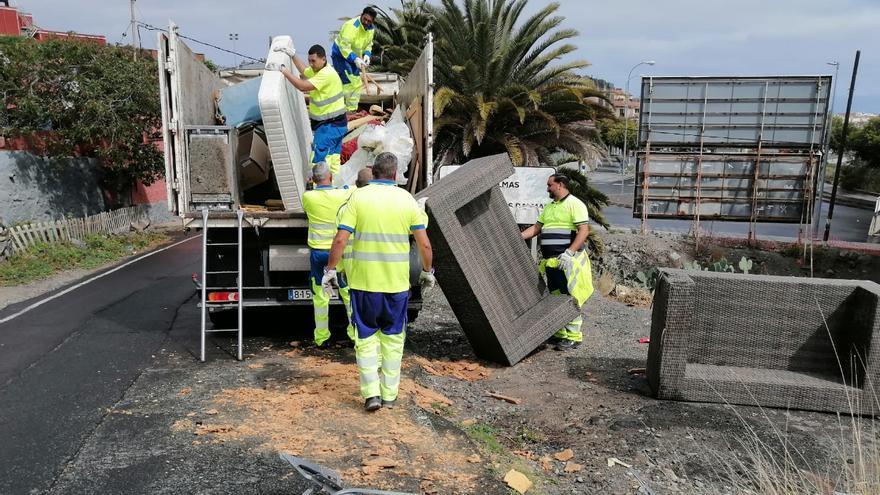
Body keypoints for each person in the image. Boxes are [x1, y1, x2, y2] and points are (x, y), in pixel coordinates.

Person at [322, 152, 435, 411]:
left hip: (364, 286)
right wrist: (427, 272)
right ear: (395, 174)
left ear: (374, 174)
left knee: (365, 339)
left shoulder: (358, 198)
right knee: (393, 340)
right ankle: (390, 396)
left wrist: (330, 269)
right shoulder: (407, 200)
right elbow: (425, 244)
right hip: (396, 287)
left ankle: (371, 395)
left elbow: (340, 240)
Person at [521, 173, 592, 351]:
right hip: (552, 262)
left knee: (569, 297)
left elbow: (584, 230)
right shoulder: (549, 207)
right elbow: (537, 228)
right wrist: (518, 237)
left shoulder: (575, 204)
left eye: (550, 185)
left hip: (567, 261)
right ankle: (560, 334)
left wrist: (569, 253)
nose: (547, 189)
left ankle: (574, 337)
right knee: (556, 297)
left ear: (560, 185)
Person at [274, 44, 348, 176]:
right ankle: (335, 187)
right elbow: (304, 71)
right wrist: (293, 55)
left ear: (323, 59)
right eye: (309, 60)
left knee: (318, 159)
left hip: (329, 126)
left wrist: (284, 71)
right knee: (332, 158)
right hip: (336, 124)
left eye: (313, 61)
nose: (311, 64)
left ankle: (318, 189)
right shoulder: (319, 70)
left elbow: (303, 86)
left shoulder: (326, 74)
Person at [302, 163, 354, 346]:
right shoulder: (343, 194)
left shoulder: (308, 197)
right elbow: (355, 187)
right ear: (330, 177)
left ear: (313, 180)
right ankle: (354, 335)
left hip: (319, 254)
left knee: (321, 296)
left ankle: (322, 338)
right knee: (347, 293)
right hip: (338, 253)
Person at [331, 6, 376, 112]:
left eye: (369, 21)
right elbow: (344, 46)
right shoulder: (351, 26)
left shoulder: (371, 29)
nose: (365, 22)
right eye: (364, 19)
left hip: (354, 58)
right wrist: (354, 58)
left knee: (356, 83)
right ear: (362, 15)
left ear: (372, 21)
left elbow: (369, 44)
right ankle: (342, 111)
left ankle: (352, 110)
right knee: (348, 82)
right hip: (341, 56)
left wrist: (367, 54)